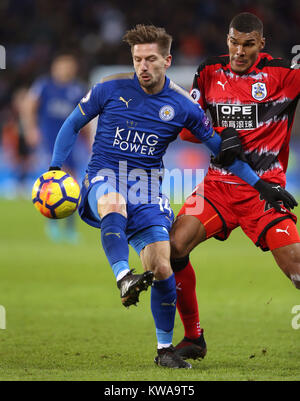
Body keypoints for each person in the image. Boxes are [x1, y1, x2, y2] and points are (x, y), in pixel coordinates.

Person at [47, 24, 295, 369]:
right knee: (113, 201)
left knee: (164, 265)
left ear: (168, 60)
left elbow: (220, 151)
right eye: (137, 59)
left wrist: (259, 184)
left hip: (148, 193)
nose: (143, 67)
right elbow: (72, 124)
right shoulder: (107, 89)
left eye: (150, 59)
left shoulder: (182, 107)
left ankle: (166, 349)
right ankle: (123, 277)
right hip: (104, 178)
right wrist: (55, 169)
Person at [169, 12, 300, 361]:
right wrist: (219, 134)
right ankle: (193, 337)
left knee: (297, 270)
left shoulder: (284, 74)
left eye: (247, 44)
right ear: (227, 39)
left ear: (262, 43)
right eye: (233, 42)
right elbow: (188, 126)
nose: (238, 51)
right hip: (217, 188)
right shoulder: (209, 71)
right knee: (173, 247)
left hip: (264, 190)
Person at [22, 53, 88, 243]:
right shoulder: (44, 85)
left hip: (73, 142)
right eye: (62, 66)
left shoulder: (78, 89)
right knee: (58, 180)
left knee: (73, 182)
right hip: (50, 139)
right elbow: (28, 106)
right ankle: (54, 225)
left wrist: (92, 138)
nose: (65, 69)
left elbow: (88, 117)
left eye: (69, 66)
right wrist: (31, 129)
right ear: (54, 67)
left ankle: (67, 228)